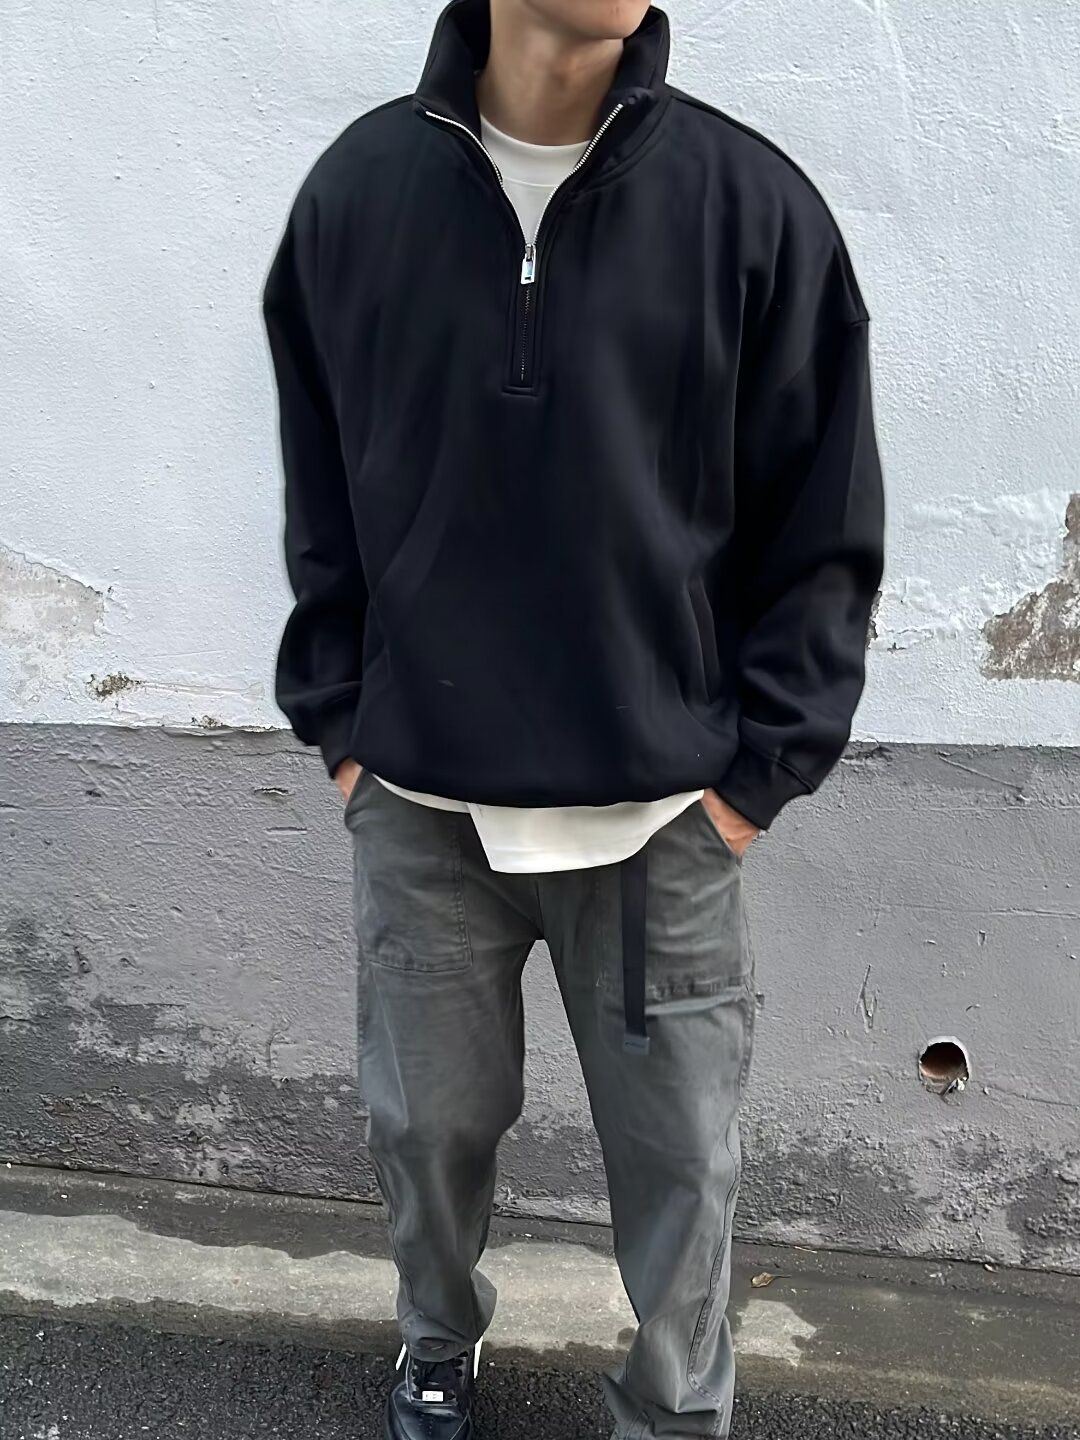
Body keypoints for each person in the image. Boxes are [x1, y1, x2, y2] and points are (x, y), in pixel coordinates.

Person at [264, 0, 884, 1435]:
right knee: (426, 1134)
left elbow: (822, 519)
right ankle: (436, 1337)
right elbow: (319, 483)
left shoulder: (749, 209)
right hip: (422, 806)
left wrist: (753, 781)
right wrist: (345, 728)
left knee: (682, 1166)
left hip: (663, 823)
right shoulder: (361, 196)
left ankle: (673, 1413)